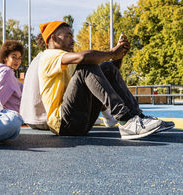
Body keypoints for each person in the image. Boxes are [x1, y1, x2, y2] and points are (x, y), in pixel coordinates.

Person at [32, 21, 174, 139]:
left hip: (82, 120)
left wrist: (118, 57)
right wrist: (112, 53)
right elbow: (83, 58)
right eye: (68, 35)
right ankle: (125, 120)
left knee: (106, 67)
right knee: (87, 65)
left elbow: (103, 78)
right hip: (63, 123)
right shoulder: (48, 56)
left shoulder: (67, 59)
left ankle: (136, 118)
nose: (73, 40)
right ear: (54, 38)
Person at [0, 40, 24, 112]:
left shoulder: (7, 72)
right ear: (5, 57)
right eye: (14, 57)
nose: (17, 61)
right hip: (12, 119)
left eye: (19, 58)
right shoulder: (6, 72)